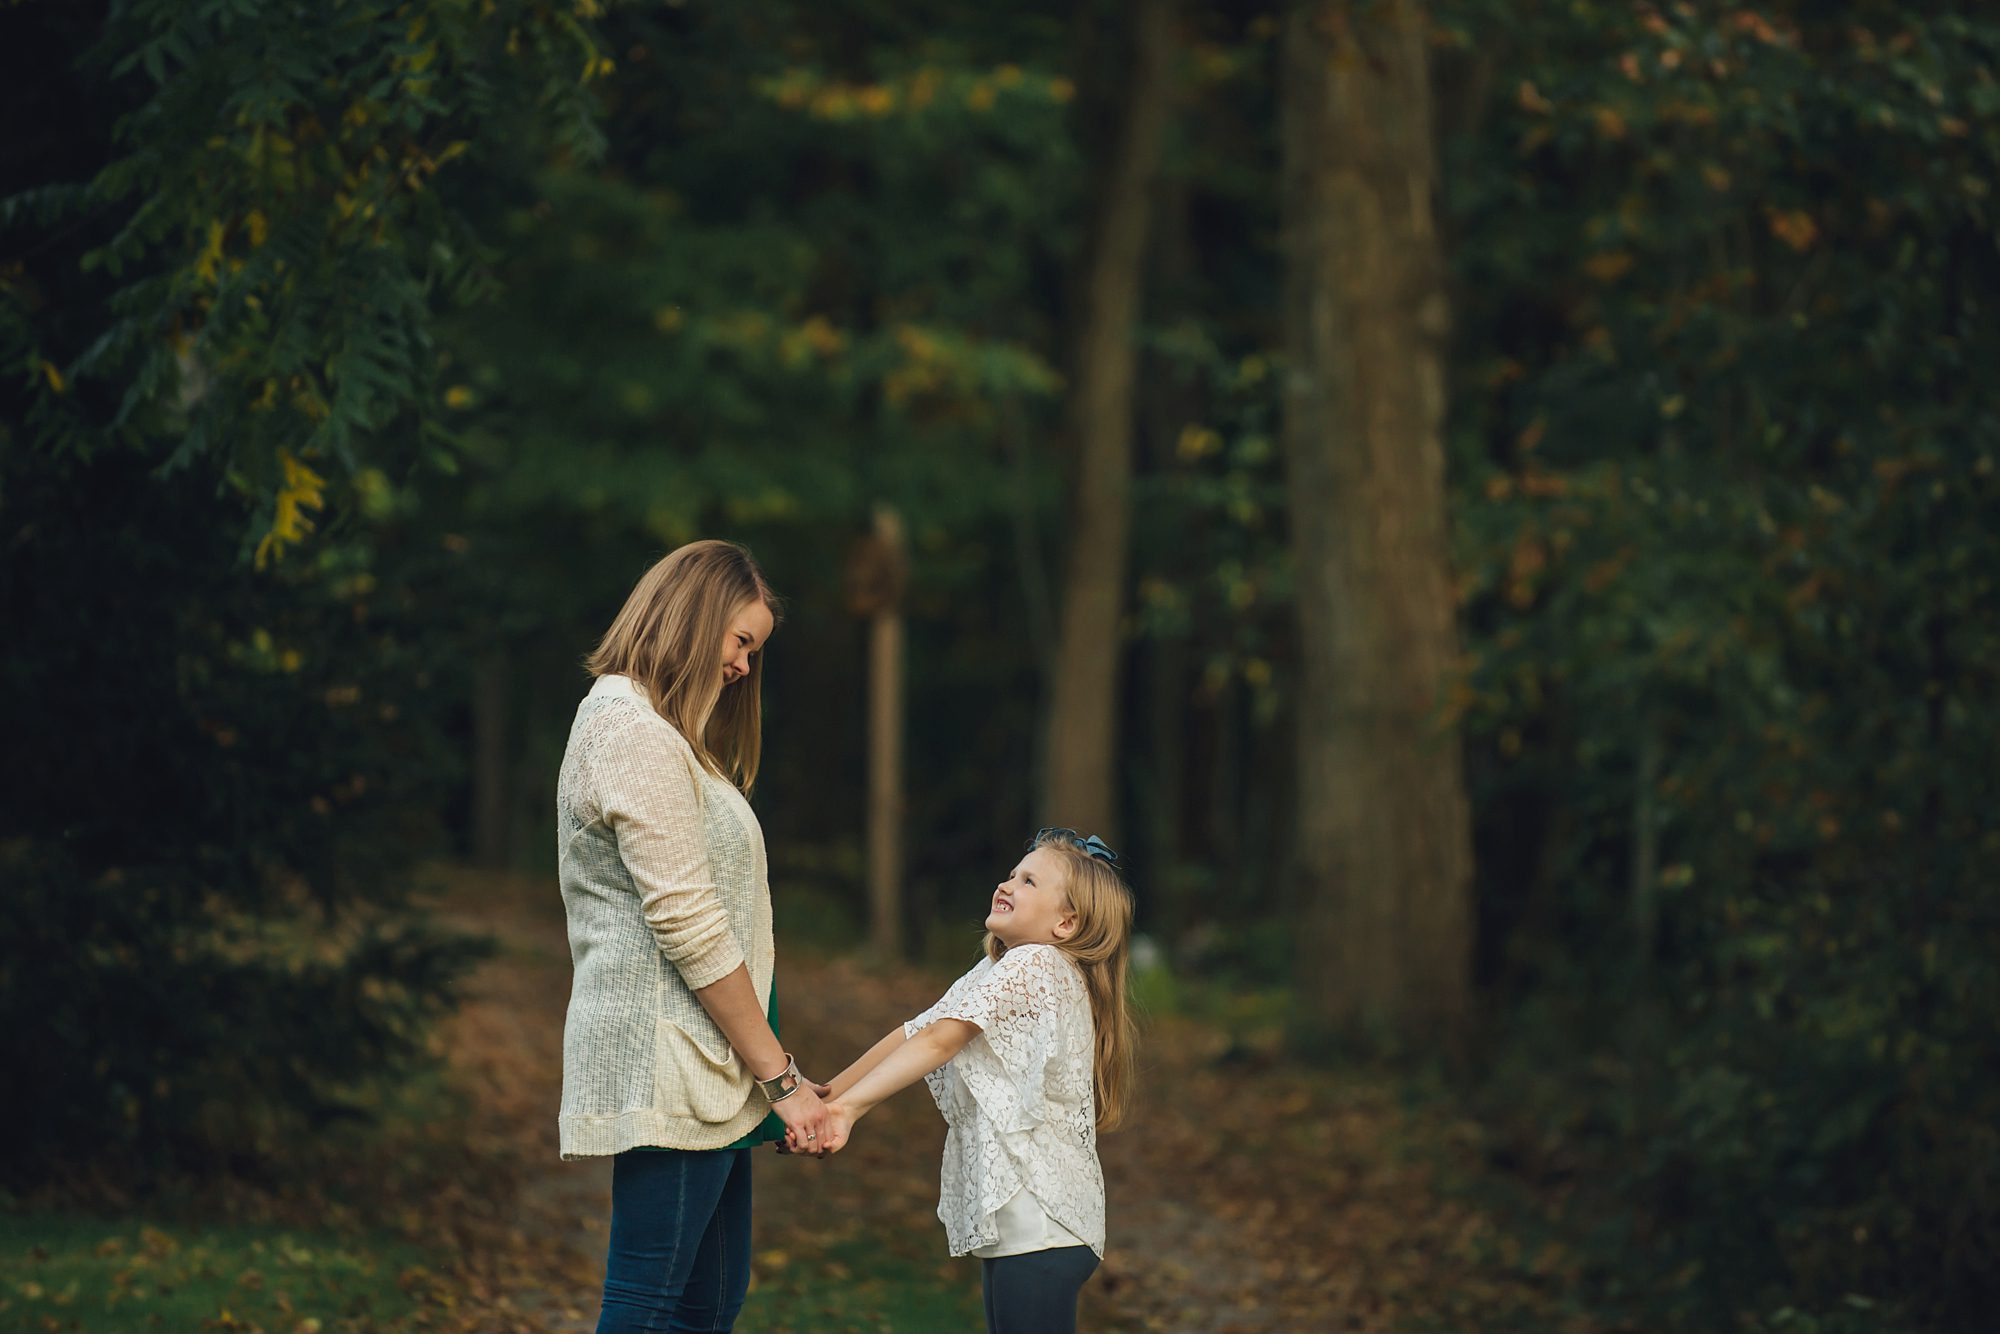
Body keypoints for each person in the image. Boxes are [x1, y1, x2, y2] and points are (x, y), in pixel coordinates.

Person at [555, 539, 831, 1333]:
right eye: (741, 641)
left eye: (756, 649)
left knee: (706, 1306)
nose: (745, 665)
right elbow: (690, 924)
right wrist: (781, 1078)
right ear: (694, 614)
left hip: (710, 1073)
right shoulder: (630, 732)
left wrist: (768, 1081)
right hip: (670, 1062)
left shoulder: (661, 734)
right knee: (647, 1307)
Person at [815, 828, 1137, 1334]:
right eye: (1012, 874)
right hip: (1032, 1231)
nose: (1007, 884)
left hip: (1042, 1228)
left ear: (1066, 922)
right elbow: (915, 1033)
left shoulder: (1034, 963)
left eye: (1029, 881)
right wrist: (829, 1096)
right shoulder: (1001, 966)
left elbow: (941, 1041)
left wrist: (849, 1111)